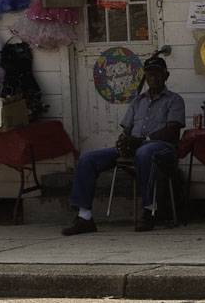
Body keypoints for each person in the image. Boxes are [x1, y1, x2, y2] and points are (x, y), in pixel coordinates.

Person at [62, 55, 185, 235]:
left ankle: (149, 211)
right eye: (150, 74)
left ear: (166, 76)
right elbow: (127, 129)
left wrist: (144, 141)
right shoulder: (138, 101)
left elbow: (172, 130)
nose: (154, 78)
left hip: (162, 147)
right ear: (146, 76)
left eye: (158, 74)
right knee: (88, 159)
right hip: (136, 146)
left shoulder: (174, 100)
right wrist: (123, 142)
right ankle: (84, 217)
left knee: (145, 152)